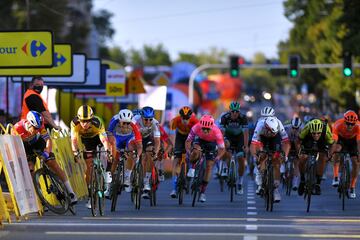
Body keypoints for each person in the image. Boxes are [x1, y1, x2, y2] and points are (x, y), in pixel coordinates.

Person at [12, 111, 77, 204]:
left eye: (38, 128)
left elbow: (48, 140)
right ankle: (40, 198)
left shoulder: (40, 126)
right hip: (24, 146)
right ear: (29, 123)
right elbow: (14, 146)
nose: (36, 130)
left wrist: (46, 152)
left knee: (53, 163)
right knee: (30, 169)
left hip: (38, 142)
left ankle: (71, 192)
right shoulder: (17, 128)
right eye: (34, 128)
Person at [70, 105, 112, 208]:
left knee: (108, 151)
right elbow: (74, 140)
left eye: (88, 121)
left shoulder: (97, 122)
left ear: (92, 119)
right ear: (78, 119)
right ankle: (90, 196)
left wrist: (107, 151)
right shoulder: (74, 123)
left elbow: (104, 140)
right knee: (89, 167)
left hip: (98, 137)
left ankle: (107, 171)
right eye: (82, 121)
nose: (85, 124)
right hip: (87, 141)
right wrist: (75, 153)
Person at [185, 114, 225, 203]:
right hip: (199, 141)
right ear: (200, 126)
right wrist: (188, 152)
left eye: (207, 129)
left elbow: (222, 149)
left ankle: (203, 192)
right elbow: (188, 141)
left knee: (209, 165)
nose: (205, 131)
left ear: (211, 127)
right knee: (195, 151)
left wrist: (218, 157)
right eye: (203, 128)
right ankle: (192, 168)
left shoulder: (217, 131)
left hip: (211, 144)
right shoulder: (196, 127)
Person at [250, 116, 290, 202]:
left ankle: (275, 189)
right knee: (262, 155)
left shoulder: (279, 124)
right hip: (262, 138)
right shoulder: (260, 126)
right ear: (267, 128)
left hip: (275, 140)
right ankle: (261, 174)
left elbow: (286, 143)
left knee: (277, 161)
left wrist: (285, 156)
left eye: (273, 132)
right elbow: (253, 144)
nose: (272, 134)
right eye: (271, 132)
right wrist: (255, 156)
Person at [108, 109, 142, 193]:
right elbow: (109, 135)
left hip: (129, 138)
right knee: (114, 160)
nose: (126, 125)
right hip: (117, 138)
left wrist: (137, 155)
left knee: (131, 149)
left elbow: (139, 144)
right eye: (124, 123)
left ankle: (127, 176)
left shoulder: (134, 124)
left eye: (128, 123)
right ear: (119, 121)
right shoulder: (114, 120)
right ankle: (109, 185)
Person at [296, 119, 333, 196]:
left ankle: (318, 184)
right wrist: (299, 152)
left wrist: (330, 154)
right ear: (311, 131)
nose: (316, 135)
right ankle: (302, 180)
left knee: (322, 158)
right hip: (308, 139)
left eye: (318, 133)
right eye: (314, 133)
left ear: (321, 131)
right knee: (303, 158)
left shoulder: (326, 129)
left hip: (322, 141)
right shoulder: (307, 128)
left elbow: (331, 144)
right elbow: (298, 141)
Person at [219, 101, 249, 194]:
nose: (235, 113)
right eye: (233, 111)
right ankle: (224, 166)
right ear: (230, 111)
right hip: (229, 137)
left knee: (241, 158)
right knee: (225, 149)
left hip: (240, 138)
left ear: (239, 111)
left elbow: (246, 133)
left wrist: (245, 145)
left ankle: (240, 182)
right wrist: (222, 143)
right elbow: (221, 133)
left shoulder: (243, 118)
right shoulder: (225, 118)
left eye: (237, 111)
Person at [169, 106, 198, 198]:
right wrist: (173, 147)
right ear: (180, 116)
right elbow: (172, 136)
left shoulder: (195, 121)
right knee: (177, 160)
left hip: (191, 137)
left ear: (190, 117)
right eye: (183, 118)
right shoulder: (175, 120)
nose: (185, 120)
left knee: (193, 153)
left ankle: (191, 169)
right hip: (180, 137)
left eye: (187, 118)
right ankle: (174, 188)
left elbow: (198, 136)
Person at [329, 110, 360, 198]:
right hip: (341, 140)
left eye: (352, 124)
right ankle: (335, 177)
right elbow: (334, 141)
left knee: (356, 162)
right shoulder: (338, 124)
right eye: (348, 123)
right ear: (344, 121)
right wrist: (331, 152)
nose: (350, 126)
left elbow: (359, 143)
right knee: (337, 151)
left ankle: (352, 186)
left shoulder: (358, 126)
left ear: (355, 123)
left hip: (353, 142)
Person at [133, 106, 161, 199]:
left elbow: (157, 141)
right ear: (141, 117)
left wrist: (155, 153)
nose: (148, 122)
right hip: (136, 139)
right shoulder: (135, 120)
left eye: (150, 119)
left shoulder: (155, 123)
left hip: (148, 139)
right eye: (146, 119)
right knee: (135, 154)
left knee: (150, 154)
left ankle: (146, 181)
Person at [283, 116, 303, 190]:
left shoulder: (303, 130)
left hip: (297, 145)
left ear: (300, 127)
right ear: (291, 125)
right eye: (293, 128)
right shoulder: (286, 128)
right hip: (287, 144)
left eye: (296, 128)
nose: (294, 130)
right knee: (287, 143)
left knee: (296, 162)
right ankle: (284, 165)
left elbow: (303, 142)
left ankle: (295, 182)